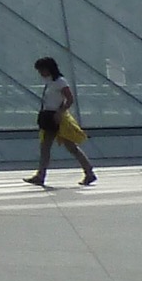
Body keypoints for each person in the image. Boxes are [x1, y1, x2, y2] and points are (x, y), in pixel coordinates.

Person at [28, 56, 96, 187]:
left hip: (56, 117)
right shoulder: (50, 82)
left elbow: (70, 99)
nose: (40, 73)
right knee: (52, 147)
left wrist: (60, 112)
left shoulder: (60, 82)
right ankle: (88, 172)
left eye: (41, 69)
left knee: (62, 147)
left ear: (49, 68)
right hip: (48, 116)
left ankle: (41, 175)